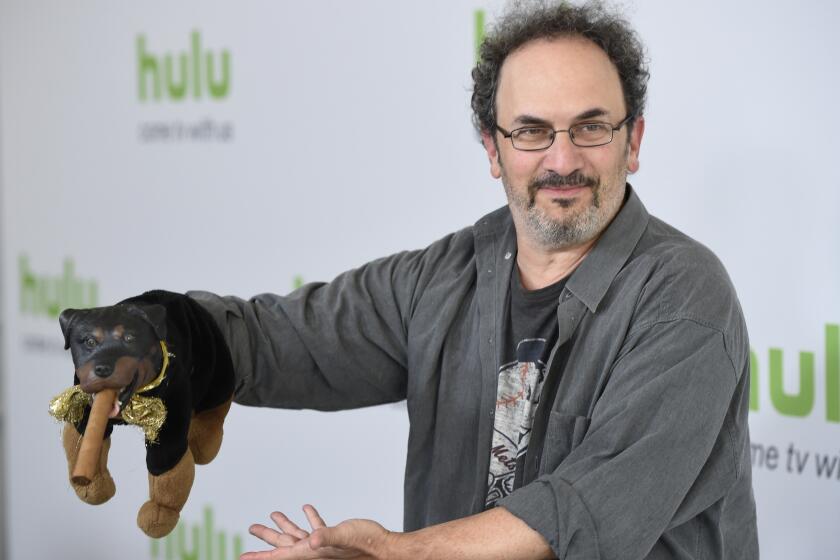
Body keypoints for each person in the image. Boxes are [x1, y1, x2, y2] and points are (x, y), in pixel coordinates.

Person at [175, 2, 759, 558]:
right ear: (492, 149)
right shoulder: (447, 275)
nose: (561, 160)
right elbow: (288, 340)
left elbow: (581, 517)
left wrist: (398, 553)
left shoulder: (685, 297)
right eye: (531, 131)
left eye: (590, 128)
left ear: (632, 141)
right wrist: (176, 336)